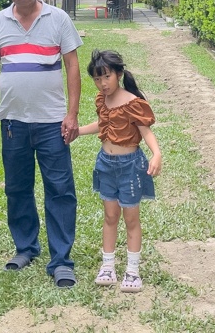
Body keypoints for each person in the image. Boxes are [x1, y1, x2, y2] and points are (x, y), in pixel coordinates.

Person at [0, 0, 83, 288]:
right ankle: (25, 248)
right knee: (17, 188)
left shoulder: (58, 19)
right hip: (13, 122)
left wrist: (72, 114)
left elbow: (72, 67)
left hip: (52, 122)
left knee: (60, 189)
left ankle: (62, 260)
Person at [78, 49, 162, 293]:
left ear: (119, 74)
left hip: (130, 166)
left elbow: (146, 132)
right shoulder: (101, 101)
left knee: (131, 218)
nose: (102, 84)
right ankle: (108, 266)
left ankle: (132, 271)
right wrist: (77, 131)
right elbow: (102, 125)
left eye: (106, 77)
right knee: (110, 216)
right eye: (97, 79)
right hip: (105, 163)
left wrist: (156, 154)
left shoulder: (132, 103)